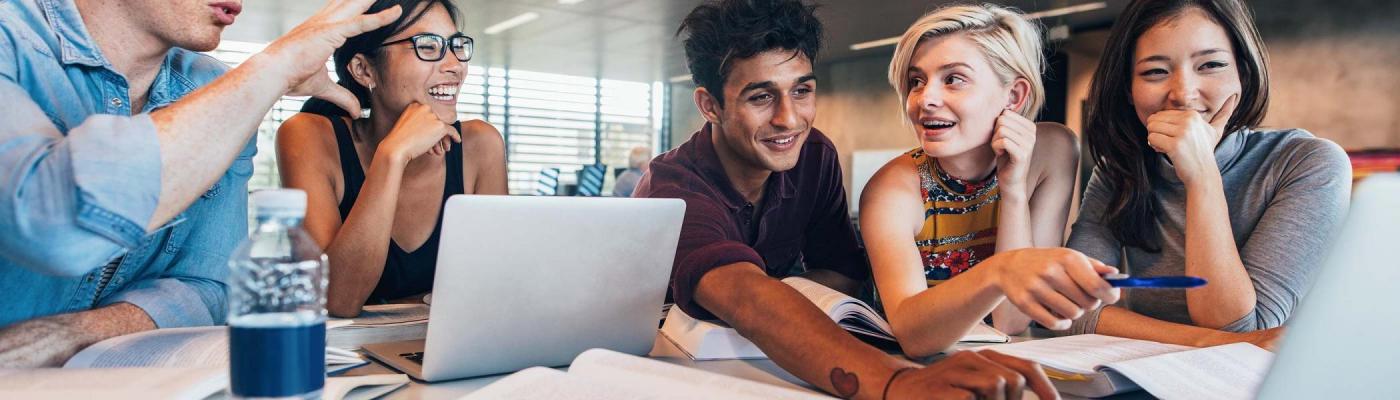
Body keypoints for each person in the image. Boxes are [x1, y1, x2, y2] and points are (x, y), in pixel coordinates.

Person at [636, 1, 1060, 398]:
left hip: (762, 360)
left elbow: (840, 273)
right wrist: (896, 383)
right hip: (662, 369)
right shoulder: (675, 185)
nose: (789, 118)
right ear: (710, 106)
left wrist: (779, 298)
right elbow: (744, 296)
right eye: (761, 97)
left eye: (801, 91)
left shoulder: (812, 156)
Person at [0, 0, 401, 366]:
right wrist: (273, 67)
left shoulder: (211, 85)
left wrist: (73, 335)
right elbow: (50, 225)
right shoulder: (10, 38)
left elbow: (212, 287)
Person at [1066, 0, 1352, 350]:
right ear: (1129, 89)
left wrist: (1201, 175)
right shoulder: (1118, 171)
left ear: (1243, 74)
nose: (1183, 94)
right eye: (1155, 71)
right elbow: (1072, 310)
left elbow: (1239, 324)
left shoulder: (1309, 163)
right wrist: (1205, 341)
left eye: (1211, 65)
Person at [859, 4, 1120, 358]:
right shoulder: (892, 189)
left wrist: (1012, 190)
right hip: (912, 369)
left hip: (1004, 358)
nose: (925, 100)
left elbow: (1015, 319)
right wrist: (1001, 272)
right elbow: (913, 336)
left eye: (953, 79)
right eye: (916, 81)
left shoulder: (1053, 150)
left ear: (1014, 96)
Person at [276, 0, 507, 317]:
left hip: (443, 350)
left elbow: (497, 291)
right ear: (363, 69)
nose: (455, 65)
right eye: (428, 46)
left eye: (457, 46)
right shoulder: (309, 137)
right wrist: (393, 155)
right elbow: (338, 300)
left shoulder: (481, 145)